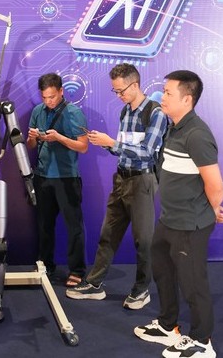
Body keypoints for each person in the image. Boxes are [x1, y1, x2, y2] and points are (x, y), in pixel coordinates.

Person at [134, 70, 223, 358]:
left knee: (193, 283)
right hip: (169, 220)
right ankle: (168, 326)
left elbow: (215, 185)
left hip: (190, 224)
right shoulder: (174, 127)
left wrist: (212, 209)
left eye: (168, 93)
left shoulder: (197, 135)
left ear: (187, 99)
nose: (161, 97)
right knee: (162, 271)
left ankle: (202, 342)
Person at [66, 63, 167, 309]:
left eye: (121, 90)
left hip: (142, 181)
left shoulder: (155, 113)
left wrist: (112, 142)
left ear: (135, 85)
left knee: (143, 241)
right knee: (108, 234)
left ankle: (141, 290)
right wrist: (105, 143)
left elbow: (147, 152)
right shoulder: (125, 112)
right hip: (121, 179)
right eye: (115, 91)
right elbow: (122, 149)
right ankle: (95, 284)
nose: (118, 95)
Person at [26, 72, 89, 286]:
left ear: (61, 91)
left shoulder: (74, 113)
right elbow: (31, 146)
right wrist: (32, 138)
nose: (49, 101)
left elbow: (83, 146)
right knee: (44, 225)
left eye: (52, 97)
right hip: (42, 176)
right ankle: (46, 265)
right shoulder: (37, 111)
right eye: (44, 97)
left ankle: (77, 270)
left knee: (74, 226)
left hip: (67, 177)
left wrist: (59, 138)